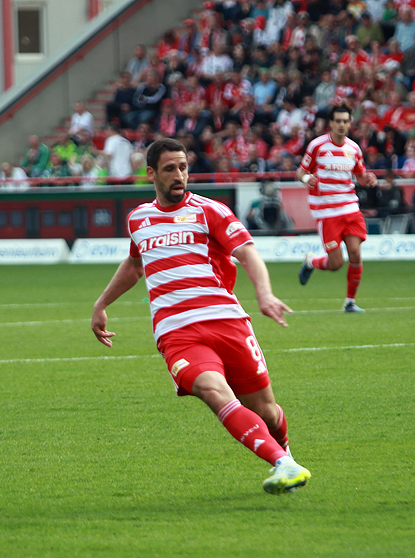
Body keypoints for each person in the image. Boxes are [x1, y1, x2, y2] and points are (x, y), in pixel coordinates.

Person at [91, 138, 310, 495]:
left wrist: (265, 293)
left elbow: (248, 253)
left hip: (227, 322)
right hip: (177, 332)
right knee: (213, 391)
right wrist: (102, 303)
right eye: (169, 169)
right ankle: (282, 463)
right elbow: (134, 265)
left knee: (267, 412)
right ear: (151, 174)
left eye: (183, 167)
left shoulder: (210, 211)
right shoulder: (138, 219)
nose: (179, 175)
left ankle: (286, 457)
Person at [296, 103, 377, 313]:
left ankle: (350, 302)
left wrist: (368, 179)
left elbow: (360, 176)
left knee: (355, 254)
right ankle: (311, 262)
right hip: (327, 213)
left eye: (345, 121)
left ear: (350, 124)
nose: (342, 125)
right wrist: (306, 179)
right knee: (336, 264)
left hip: (350, 208)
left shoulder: (354, 149)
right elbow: (300, 172)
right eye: (338, 121)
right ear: (331, 123)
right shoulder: (317, 146)